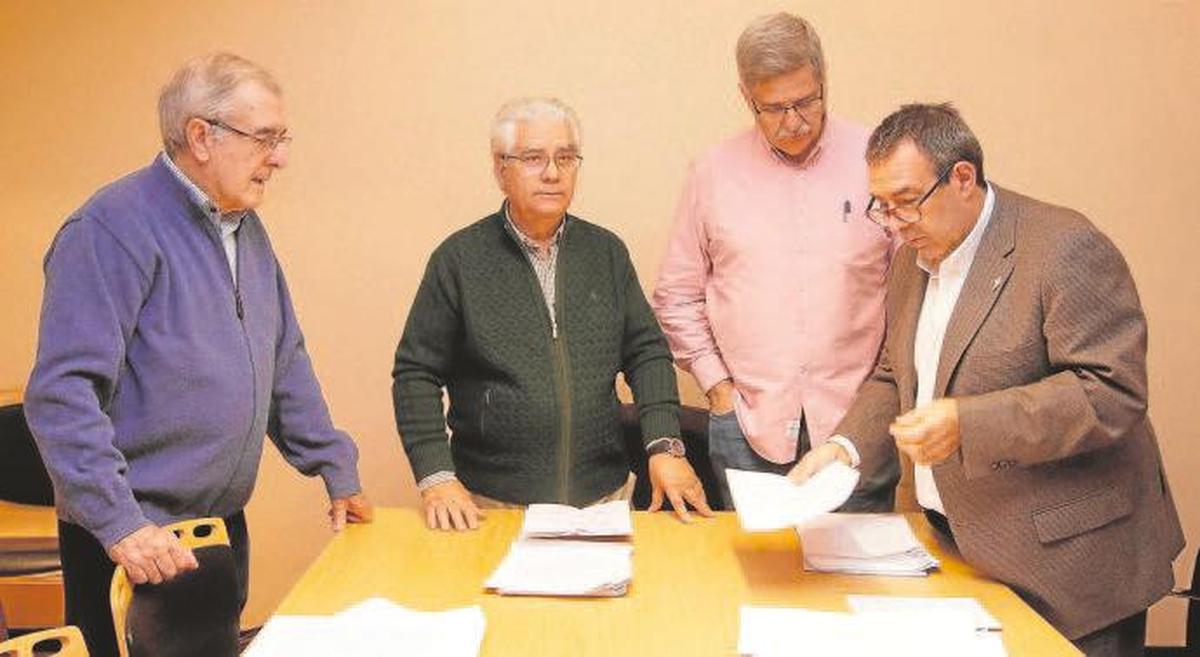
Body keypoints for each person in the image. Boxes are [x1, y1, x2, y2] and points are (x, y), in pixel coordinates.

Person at [791, 103, 1183, 655]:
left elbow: (1111, 391)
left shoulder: (1062, 246)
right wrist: (845, 447)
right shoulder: (913, 258)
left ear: (963, 178)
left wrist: (968, 424)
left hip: (1073, 562)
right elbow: (894, 372)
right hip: (966, 545)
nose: (896, 223)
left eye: (908, 202)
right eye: (883, 206)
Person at [24, 52, 372, 656]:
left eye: (282, 138)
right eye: (265, 138)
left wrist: (333, 466)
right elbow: (61, 397)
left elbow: (282, 358)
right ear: (200, 137)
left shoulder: (244, 228)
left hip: (215, 533)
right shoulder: (110, 228)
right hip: (134, 542)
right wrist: (122, 525)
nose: (281, 157)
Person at [392, 97, 713, 531]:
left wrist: (664, 447)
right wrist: (437, 476)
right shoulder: (459, 260)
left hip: (603, 499)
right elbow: (415, 373)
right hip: (490, 506)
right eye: (533, 158)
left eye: (565, 158)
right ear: (499, 168)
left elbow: (648, 354)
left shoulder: (606, 253)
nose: (552, 173)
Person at [652, 12, 894, 509]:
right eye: (774, 108)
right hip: (747, 428)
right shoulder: (712, 173)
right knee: (756, 582)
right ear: (746, 97)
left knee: (858, 578)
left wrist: (885, 396)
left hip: (857, 428)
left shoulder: (879, 162)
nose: (794, 121)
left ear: (824, 81)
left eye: (805, 101)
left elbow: (913, 289)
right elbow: (677, 295)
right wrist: (717, 386)